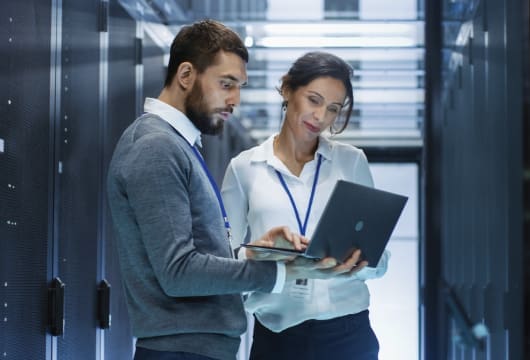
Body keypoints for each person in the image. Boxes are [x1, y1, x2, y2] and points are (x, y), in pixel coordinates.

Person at [107, 21, 368, 360]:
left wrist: (255, 252)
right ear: (186, 75)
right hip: (182, 350)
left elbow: (198, 257)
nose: (235, 99)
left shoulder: (178, 145)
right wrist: (278, 271)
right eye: (226, 84)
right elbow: (178, 272)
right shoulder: (156, 147)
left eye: (240, 86)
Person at [221, 51, 389, 360]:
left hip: (348, 335)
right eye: (314, 100)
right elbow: (222, 261)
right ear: (287, 89)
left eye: (333, 109)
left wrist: (360, 261)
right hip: (277, 336)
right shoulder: (244, 168)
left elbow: (379, 260)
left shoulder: (351, 162)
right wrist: (258, 251)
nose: (321, 117)